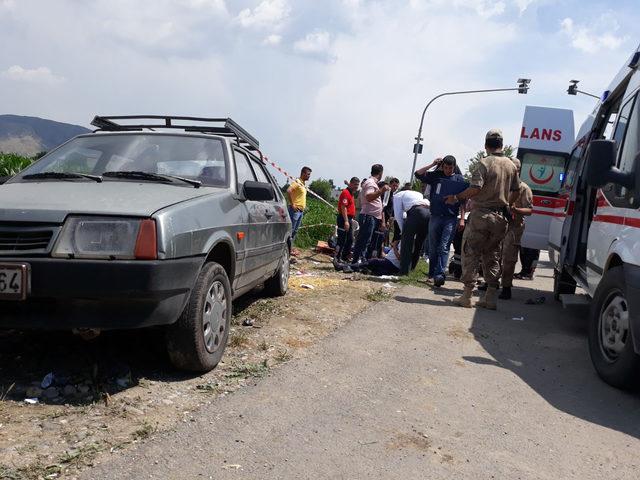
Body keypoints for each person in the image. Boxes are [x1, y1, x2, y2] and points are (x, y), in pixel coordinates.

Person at [444, 129, 520, 310]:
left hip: (481, 215)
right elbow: (516, 191)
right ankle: (490, 297)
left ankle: (467, 295)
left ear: (486, 145)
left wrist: (457, 197)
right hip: (500, 218)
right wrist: (506, 204)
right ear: (501, 144)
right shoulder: (511, 165)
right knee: (493, 255)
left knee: (471, 252)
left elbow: (475, 188)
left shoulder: (484, 163)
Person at [415, 155, 467, 286]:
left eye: (451, 168)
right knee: (433, 246)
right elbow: (418, 173)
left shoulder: (459, 179)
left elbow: (463, 201)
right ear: (442, 166)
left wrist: (462, 219)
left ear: (454, 167)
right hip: (435, 216)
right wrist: (433, 164)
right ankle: (432, 274)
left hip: (450, 218)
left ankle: (440, 275)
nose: (448, 170)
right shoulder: (436, 176)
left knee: (444, 247)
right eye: (446, 167)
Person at [499, 159, 533, 299]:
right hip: (499, 225)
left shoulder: (524, 188)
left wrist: (515, 209)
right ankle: (491, 283)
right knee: (493, 255)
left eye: (515, 169)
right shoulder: (501, 185)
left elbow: (530, 211)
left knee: (509, 258)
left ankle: (506, 287)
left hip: (514, 226)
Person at [351, 164, 390, 263]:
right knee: (364, 240)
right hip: (369, 216)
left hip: (371, 216)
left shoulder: (373, 183)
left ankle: (358, 260)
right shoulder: (371, 183)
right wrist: (382, 190)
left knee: (365, 240)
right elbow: (369, 197)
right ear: (380, 173)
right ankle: (358, 261)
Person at [393, 186, 430, 275]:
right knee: (419, 243)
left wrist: (403, 231)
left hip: (416, 212)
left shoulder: (397, 195)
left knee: (407, 243)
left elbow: (398, 215)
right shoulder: (418, 194)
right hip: (429, 213)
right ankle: (413, 268)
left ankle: (404, 271)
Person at [338, 240, 402, 276]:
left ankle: (345, 266)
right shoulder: (403, 238)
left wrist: (394, 246)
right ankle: (351, 267)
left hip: (392, 263)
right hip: (389, 261)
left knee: (372, 261)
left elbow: (399, 257)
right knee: (377, 269)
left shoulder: (406, 241)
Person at [334, 176, 360, 262]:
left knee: (350, 239)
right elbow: (343, 207)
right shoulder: (345, 193)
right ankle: (336, 257)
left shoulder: (351, 192)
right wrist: (346, 221)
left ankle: (344, 257)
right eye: (355, 184)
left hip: (349, 219)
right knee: (341, 239)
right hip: (343, 218)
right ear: (351, 183)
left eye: (358, 185)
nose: (357, 187)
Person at [287, 166, 312, 250]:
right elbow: (289, 191)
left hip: (300, 211)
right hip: (295, 210)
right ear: (303, 173)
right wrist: (292, 204)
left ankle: (290, 248)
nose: (309, 176)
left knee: (295, 231)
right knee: (291, 230)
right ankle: (286, 249)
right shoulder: (297, 182)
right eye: (308, 174)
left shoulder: (303, 184)